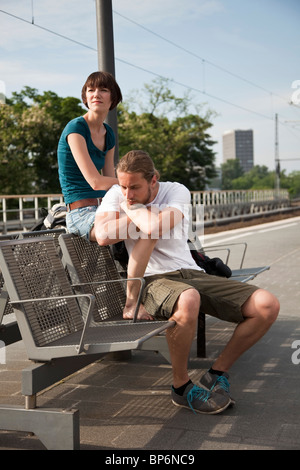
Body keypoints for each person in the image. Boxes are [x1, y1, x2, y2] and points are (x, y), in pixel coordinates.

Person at [94, 150, 280, 415]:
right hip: (152, 279)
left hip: (191, 272)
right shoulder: (117, 193)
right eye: (123, 186)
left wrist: (134, 214)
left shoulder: (176, 191)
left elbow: (157, 228)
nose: (127, 194)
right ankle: (181, 388)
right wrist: (141, 213)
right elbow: (102, 235)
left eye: (134, 188)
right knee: (189, 298)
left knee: (267, 305)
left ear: (153, 180)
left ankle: (216, 373)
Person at [57, 71, 122, 241]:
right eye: (91, 90)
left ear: (113, 98)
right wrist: (134, 182)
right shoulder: (76, 128)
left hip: (104, 208)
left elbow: (110, 181)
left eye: (103, 90)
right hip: (80, 214)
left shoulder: (109, 134)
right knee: (137, 227)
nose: (96, 94)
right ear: (85, 97)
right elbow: (96, 182)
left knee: (155, 220)